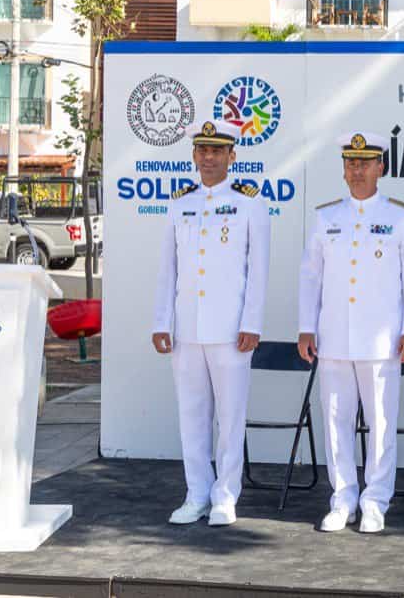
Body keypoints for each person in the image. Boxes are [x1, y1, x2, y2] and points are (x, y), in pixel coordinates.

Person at [299, 132, 404, 534]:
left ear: (380, 168)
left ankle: (375, 499)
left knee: (381, 422)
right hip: (334, 337)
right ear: (343, 168)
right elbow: (310, 277)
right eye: (351, 163)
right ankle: (342, 498)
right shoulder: (327, 217)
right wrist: (306, 327)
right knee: (335, 419)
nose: (357, 170)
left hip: (381, 339)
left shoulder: (400, 217)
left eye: (365, 162)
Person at [152, 119, 270, 527]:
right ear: (194, 155)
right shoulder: (179, 202)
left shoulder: (249, 202)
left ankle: (225, 495)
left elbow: (258, 269)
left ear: (231, 156)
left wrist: (252, 321)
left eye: (217, 150)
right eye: (202, 150)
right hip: (187, 328)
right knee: (192, 414)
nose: (208, 157)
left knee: (230, 417)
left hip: (231, 329)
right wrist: (161, 321)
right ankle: (196, 492)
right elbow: (168, 268)